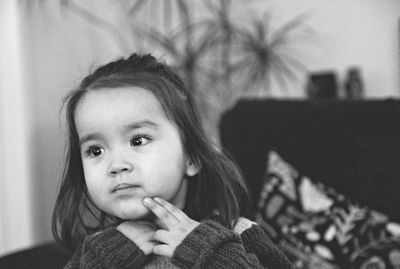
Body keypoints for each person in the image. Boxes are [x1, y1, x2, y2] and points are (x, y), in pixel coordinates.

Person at [52, 53, 293, 268]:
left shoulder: (238, 233)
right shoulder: (98, 252)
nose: (116, 165)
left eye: (138, 141)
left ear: (192, 157)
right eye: (95, 151)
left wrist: (212, 255)